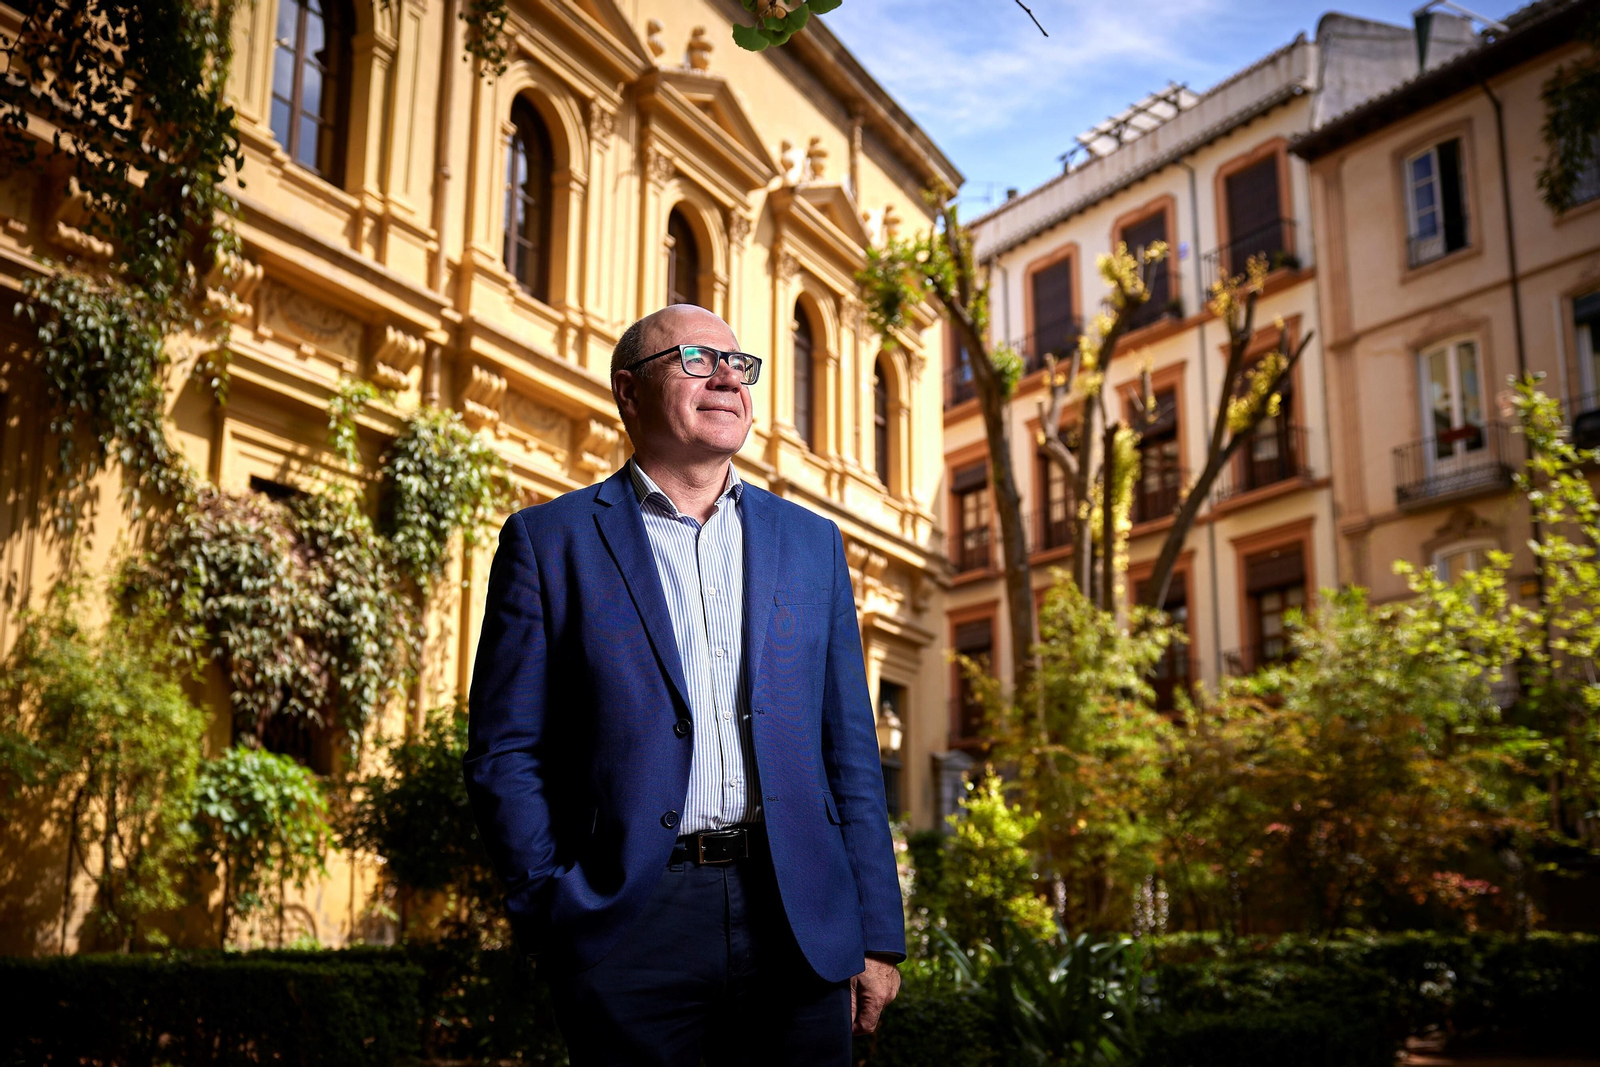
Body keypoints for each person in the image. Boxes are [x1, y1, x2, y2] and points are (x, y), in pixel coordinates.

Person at [464, 304, 904, 1066]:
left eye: (741, 364)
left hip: (797, 914)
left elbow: (850, 750)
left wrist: (876, 932)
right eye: (697, 359)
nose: (729, 376)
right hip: (630, 922)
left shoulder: (812, 544)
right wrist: (549, 899)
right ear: (629, 393)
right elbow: (505, 749)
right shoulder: (548, 542)